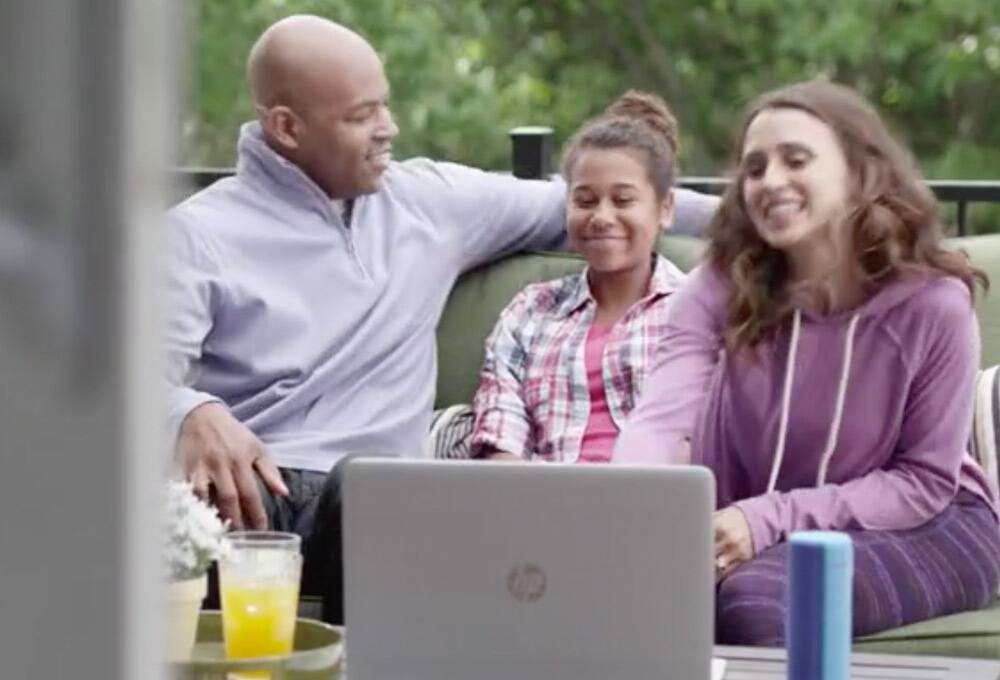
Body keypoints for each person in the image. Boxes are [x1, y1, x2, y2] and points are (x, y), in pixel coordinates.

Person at [166, 15, 717, 623]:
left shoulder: (430, 203)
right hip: (251, 492)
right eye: (361, 116)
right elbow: (118, 381)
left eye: (385, 106)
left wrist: (779, 225)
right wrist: (189, 409)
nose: (388, 129)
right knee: (173, 520)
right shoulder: (197, 235)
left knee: (371, 487)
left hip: (371, 498)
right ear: (287, 128)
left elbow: (600, 198)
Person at [614, 80, 1000, 644]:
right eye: (754, 167)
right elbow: (661, 416)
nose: (770, 181)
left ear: (858, 171)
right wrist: (623, 511)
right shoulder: (718, 286)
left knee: (761, 602)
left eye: (796, 160)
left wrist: (766, 518)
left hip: (932, 523)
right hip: (760, 522)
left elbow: (921, 483)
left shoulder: (933, 304)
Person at [470, 91, 686, 463]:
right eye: (585, 201)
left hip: (657, 504)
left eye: (623, 200)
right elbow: (501, 436)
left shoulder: (696, 310)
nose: (601, 217)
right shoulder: (531, 311)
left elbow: (711, 436)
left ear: (664, 208)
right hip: (539, 505)